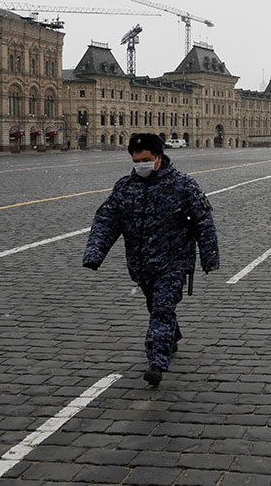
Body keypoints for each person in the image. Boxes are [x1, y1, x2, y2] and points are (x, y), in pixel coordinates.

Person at [82, 133, 219, 386]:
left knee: (162, 309)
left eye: (145, 159)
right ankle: (171, 336)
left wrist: (209, 257)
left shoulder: (183, 185)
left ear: (158, 158)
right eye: (136, 160)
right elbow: (106, 220)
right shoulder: (124, 187)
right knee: (156, 306)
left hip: (174, 262)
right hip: (141, 265)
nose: (141, 164)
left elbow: (203, 221)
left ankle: (156, 361)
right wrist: (94, 254)